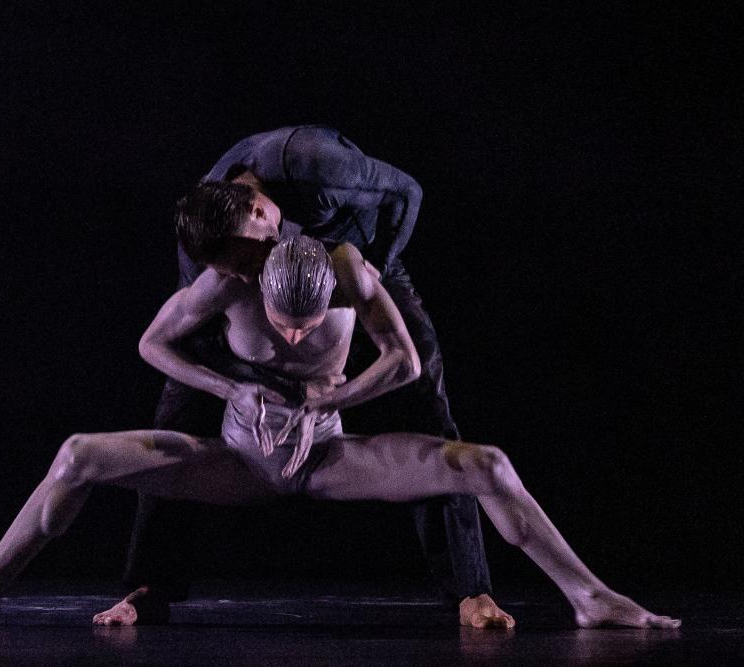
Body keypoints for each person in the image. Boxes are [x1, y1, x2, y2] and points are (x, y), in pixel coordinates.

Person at [0, 237, 679, 630]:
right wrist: (230, 385)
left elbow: (406, 361)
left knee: (488, 464)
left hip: (329, 455)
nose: (298, 338)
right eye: (283, 325)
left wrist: (327, 397)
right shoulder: (226, 279)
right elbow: (152, 343)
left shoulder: (353, 273)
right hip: (236, 459)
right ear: (255, 288)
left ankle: (590, 597)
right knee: (77, 454)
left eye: (311, 326)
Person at [117, 125, 504, 628]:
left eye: (247, 262)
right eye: (232, 271)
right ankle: (150, 583)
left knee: (421, 381)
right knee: (180, 399)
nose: (245, 276)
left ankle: (471, 589)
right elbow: (175, 330)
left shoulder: (318, 169)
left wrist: (375, 272)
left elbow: (408, 192)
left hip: (353, 271)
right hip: (285, 296)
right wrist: (235, 384)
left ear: (261, 212)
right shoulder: (210, 230)